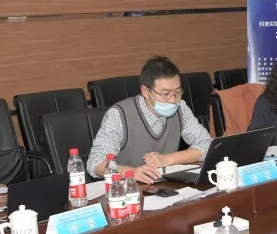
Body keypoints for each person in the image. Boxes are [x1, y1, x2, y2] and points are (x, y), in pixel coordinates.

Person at [86, 56, 212, 184]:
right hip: (126, 188)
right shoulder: (118, 115)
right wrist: (131, 172)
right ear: (146, 92)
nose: (173, 100)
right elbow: (96, 163)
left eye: (177, 92)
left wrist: (169, 159)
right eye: (165, 94)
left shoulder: (181, 108)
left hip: (166, 186)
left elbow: (207, 144)